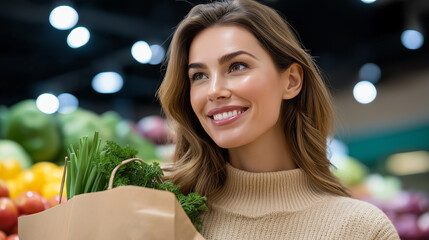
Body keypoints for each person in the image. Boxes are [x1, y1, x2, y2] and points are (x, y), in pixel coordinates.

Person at [157, 0, 400, 239]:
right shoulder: (166, 211)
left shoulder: (362, 229)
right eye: (199, 75)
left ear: (291, 80)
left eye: (237, 66)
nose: (213, 90)